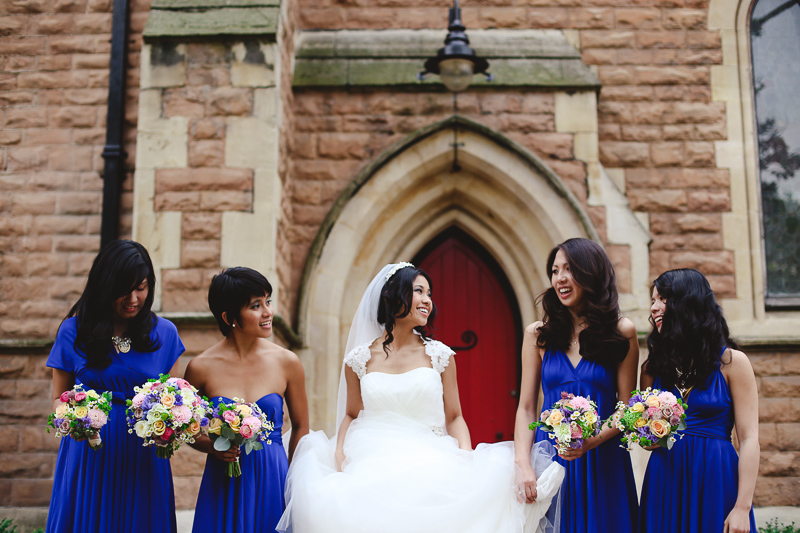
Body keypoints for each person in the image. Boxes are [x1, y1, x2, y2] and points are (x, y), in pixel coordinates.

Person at [277, 262, 557, 533]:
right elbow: (351, 414)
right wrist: (339, 453)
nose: (428, 300)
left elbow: (455, 416)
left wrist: (465, 455)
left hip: (432, 458)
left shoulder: (440, 355)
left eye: (429, 294)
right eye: (419, 291)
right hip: (371, 460)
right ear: (392, 296)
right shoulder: (358, 360)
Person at [46, 240, 184, 532]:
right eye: (124, 289)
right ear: (104, 286)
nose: (133, 298)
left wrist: (175, 424)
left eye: (142, 288)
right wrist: (73, 419)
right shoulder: (73, 331)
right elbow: (58, 398)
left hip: (144, 456)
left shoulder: (166, 334)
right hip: (89, 454)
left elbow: (174, 398)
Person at [514, 238, 640, 533]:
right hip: (552, 463)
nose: (560, 278)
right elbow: (526, 407)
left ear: (591, 273)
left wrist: (592, 441)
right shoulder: (538, 335)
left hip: (604, 463)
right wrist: (523, 464)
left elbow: (628, 409)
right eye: (555, 271)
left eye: (569, 269)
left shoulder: (622, 332)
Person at [186, 267, 309, 533]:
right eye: (256, 305)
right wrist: (212, 447)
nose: (268, 312)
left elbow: (301, 426)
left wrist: (293, 480)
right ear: (229, 316)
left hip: (273, 476)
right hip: (224, 480)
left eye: (268, 301)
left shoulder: (287, 362)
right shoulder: (201, 367)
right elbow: (186, 429)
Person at [639, 269, 759, 533]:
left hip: (716, 479)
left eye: (663, 299)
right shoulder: (651, 369)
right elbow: (648, 443)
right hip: (665, 479)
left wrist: (742, 507)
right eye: (653, 300)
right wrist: (645, 430)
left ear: (688, 303)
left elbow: (749, 438)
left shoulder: (732, 363)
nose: (654, 307)